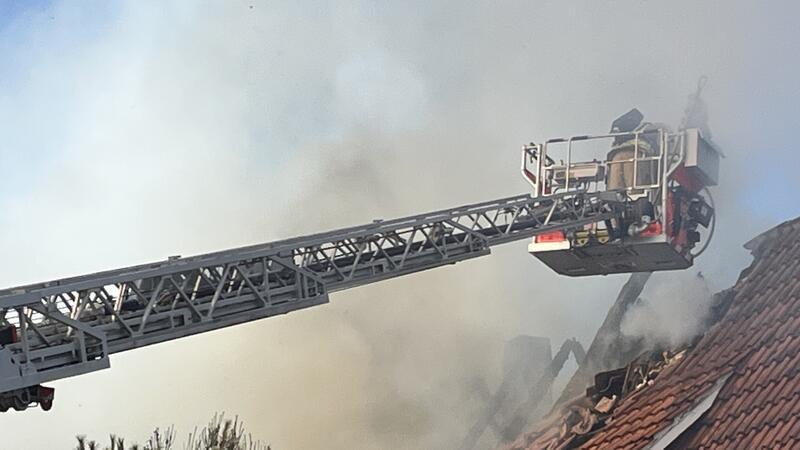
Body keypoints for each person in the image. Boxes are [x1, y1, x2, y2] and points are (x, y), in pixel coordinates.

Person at [606, 108, 658, 191]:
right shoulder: (647, 129)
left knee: (616, 189)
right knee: (633, 190)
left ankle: (617, 199)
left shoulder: (646, 129)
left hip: (626, 156)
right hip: (634, 155)